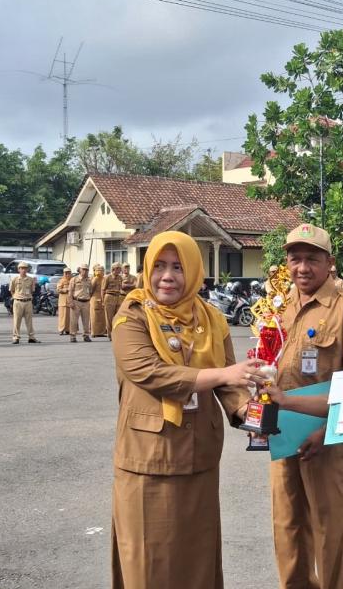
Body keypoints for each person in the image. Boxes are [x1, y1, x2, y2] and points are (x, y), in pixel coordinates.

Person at [110, 231, 262, 589]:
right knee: (150, 562)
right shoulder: (132, 315)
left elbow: (230, 383)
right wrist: (225, 374)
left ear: (194, 271)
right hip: (150, 458)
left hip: (200, 456)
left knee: (197, 558)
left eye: (178, 267)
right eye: (160, 266)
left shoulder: (211, 318)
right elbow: (150, 372)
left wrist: (251, 413)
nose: (167, 276)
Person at [267, 223, 343, 589]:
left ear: (330, 263)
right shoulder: (281, 306)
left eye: (312, 259)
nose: (302, 268)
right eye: (295, 259)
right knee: (287, 524)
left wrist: (327, 432)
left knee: (331, 528)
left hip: (325, 438)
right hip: (282, 432)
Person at [10, 261, 39, 344]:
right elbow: (12, 290)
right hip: (18, 301)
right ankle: (16, 337)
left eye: (25, 268)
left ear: (27, 269)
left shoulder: (31, 279)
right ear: (18, 269)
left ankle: (31, 337)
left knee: (29, 321)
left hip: (28, 301)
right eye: (22, 268)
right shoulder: (14, 279)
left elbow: (32, 290)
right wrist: (16, 297)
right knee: (16, 320)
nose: (23, 270)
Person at [68, 264, 92, 343]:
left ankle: (86, 335)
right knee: (74, 320)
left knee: (86, 320)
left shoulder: (89, 280)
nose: (85, 271)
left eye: (87, 270)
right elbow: (70, 291)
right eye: (84, 269)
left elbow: (91, 291)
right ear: (80, 270)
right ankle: (73, 336)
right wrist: (70, 302)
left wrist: (89, 299)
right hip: (76, 301)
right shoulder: (74, 279)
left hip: (86, 302)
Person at [103, 262, 125, 339]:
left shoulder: (120, 278)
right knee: (109, 317)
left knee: (118, 316)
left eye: (120, 268)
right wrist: (103, 301)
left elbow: (121, 287)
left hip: (118, 297)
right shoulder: (107, 277)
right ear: (113, 269)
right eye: (118, 268)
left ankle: (117, 333)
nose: (120, 270)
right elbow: (103, 290)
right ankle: (110, 334)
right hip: (109, 296)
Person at [90, 264, 107, 337]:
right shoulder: (95, 279)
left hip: (102, 299)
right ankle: (94, 332)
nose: (100, 272)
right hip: (95, 299)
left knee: (102, 317)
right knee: (95, 317)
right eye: (99, 270)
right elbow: (91, 290)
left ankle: (101, 332)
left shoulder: (104, 279)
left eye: (102, 270)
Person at [56, 267, 72, 335]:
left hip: (71, 301)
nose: (67, 274)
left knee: (70, 316)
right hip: (63, 302)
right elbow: (58, 289)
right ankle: (61, 329)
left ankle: (68, 329)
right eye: (66, 273)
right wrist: (65, 290)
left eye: (69, 273)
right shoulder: (61, 281)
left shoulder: (72, 280)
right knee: (62, 316)